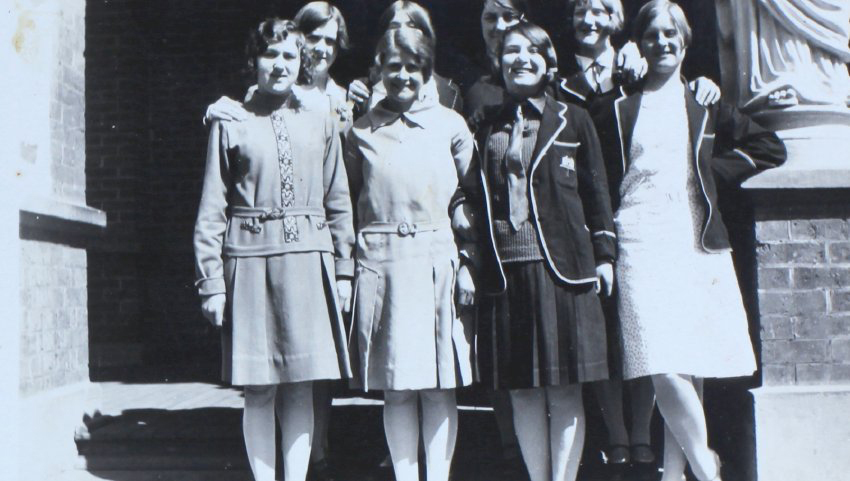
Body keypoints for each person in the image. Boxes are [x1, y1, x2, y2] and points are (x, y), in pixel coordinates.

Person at [593, 2, 786, 480]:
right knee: (661, 360)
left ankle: (675, 471)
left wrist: (707, 173)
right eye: (652, 34)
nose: (662, 42)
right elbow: (598, 181)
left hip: (692, 239)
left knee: (688, 360)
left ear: (684, 41)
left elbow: (768, 148)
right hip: (638, 240)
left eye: (670, 34)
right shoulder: (618, 107)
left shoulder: (702, 100)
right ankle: (708, 469)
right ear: (639, 42)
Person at [193, 18, 355, 481]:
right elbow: (212, 208)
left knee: (301, 385)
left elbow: (338, 199)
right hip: (249, 263)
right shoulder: (231, 122)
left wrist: (344, 271)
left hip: (307, 261)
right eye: (270, 54)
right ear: (254, 61)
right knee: (259, 388)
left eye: (289, 55)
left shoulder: (321, 120)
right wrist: (211, 283)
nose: (280, 64)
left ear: (302, 62)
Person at [474, 22, 616, 481]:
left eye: (533, 50)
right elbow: (469, 188)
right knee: (522, 390)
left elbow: (597, 191)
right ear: (499, 62)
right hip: (506, 272)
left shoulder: (574, 118)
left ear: (548, 61)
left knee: (565, 387)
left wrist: (605, 254)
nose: (522, 58)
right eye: (512, 50)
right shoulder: (485, 123)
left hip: (563, 269)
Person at [344, 27, 477, 481]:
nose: (403, 75)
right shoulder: (360, 131)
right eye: (393, 66)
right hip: (383, 267)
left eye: (413, 67)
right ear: (378, 69)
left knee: (439, 386)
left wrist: (469, 263)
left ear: (427, 71)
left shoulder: (451, 125)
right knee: (396, 386)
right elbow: (348, 201)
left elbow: (472, 198)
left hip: (436, 262)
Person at [204, 2, 353, 134]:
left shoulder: (343, 96)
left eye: (330, 41)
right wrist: (214, 115)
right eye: (313, 38)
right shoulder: (269, 89)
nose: (321, 48)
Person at [346, 0, 463, 116]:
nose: (402, 32)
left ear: (425, 35)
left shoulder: (449, 92)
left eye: (411, 26)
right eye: (394, 27)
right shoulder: (362, 89)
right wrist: (350, 105)